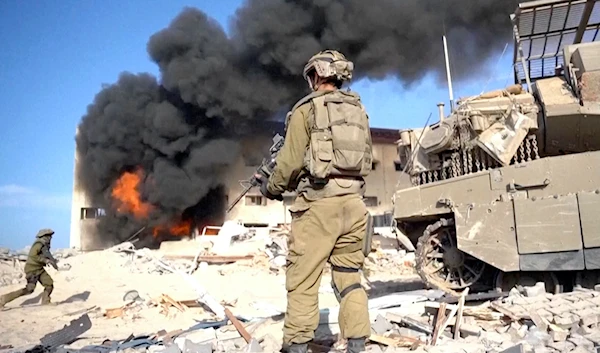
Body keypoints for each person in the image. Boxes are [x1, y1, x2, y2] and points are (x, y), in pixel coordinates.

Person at [256, 50, 374, 353]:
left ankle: (296, 345)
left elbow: (290, 162)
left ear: (318, 75)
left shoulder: (306, 110)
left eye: (311, 75)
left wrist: (270, 187)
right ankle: (358, 343)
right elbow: (366, 160)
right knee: (349, 278)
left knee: (302, 280)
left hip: (319, 206)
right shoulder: (359, 110)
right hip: (355, 206)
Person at [0, 228, 59, 308]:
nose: (51, 238)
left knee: (49, 284)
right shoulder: (38, 244)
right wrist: (45, 260)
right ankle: (3, 299)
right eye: (49, 236)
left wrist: (53, 262)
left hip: (39, 269)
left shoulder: (45, 246)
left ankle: (46, 301)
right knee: (29, 289)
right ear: (45, 236)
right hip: (32, 269)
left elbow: (46, 255)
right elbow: (33, 256)